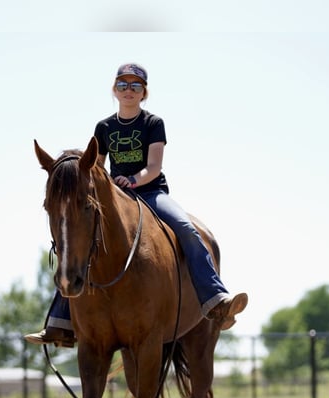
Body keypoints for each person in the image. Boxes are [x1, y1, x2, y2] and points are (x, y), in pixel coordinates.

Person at [25, 63, 248, 348]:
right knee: (80, 239)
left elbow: (154, 166)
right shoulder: (103, 127)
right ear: (114, 90)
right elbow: (96, 169)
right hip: (118, 198)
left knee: (185, 228)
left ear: (143, 93)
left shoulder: (153, 124)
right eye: (122, 85)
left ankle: (216, 300)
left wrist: (133, 178)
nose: (128, 90)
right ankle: (61, 320)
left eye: (135, 86)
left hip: (152, 192)